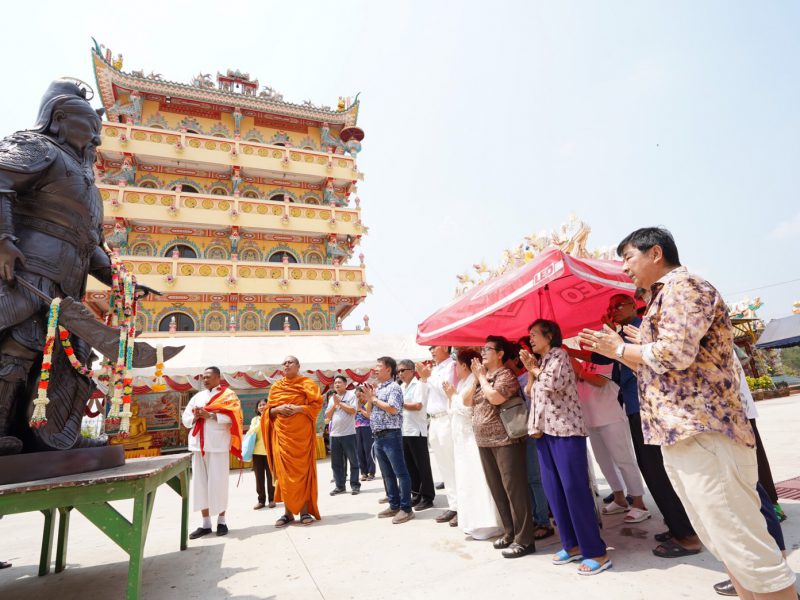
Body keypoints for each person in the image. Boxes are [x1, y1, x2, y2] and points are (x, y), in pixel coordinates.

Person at [582, 227, 796, 598]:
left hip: (704, 432)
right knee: (725, 542)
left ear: (655, 253)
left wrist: (619, 350)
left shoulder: (684, 288)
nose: (625, 269)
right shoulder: (663, 298)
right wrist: (631, 348)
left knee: (744, 546)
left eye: (629, 258)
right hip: (682, 433)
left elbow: (673, 356)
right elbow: (665, 366)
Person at [570, 293, 702, 558]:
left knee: (656, 469)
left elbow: (635, 358)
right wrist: (568, 349)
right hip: (634, 406)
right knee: (652, 469)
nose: (614, 311)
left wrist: (611, 336)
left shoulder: (639, 328)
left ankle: (686, 535)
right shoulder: (621, 334)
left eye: (618, 306)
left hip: (647, 406)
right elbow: (601, 358)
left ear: (634, 305)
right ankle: (678, 525)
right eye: (611, 308)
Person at [524, 320, 610, 575]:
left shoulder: (560, 355)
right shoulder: (540, 362)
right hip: (543, 432)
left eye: (534, 335)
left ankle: (596, 552)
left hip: (566, 430)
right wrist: (531, 370)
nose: (530, 339)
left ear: (549, 335)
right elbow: (531, 391)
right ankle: (571, 545)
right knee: (554, 491)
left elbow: (555, 384)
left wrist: (536, 371)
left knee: (574, 490)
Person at [471, 336, 536, 558]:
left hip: (506, 440)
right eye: (482, 348)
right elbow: (467, 401)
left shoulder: (505, 375)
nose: (483, 352)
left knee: (514, 490)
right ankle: (510, 532)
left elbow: (496, 398)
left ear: (500, 354)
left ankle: (525, 539)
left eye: (488, 349)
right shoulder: (482, 377)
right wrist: (477, 378)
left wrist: (481, 377)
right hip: (484, 440)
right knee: (497, 490)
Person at [572, 358, 650, 523]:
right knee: (604, 463)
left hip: (611, 417)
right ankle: (619, 498)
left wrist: (578, 369)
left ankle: (639, 503)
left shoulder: (605, 358)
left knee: (624, 460)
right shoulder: (582, 361)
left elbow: (600, 381)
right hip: (591, 419)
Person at [442, 349, 503, 540]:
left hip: (472, 438)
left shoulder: (474, 380)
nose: (455, 369)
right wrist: (452, 397)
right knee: (465, 480)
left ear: (464, 366)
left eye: (457, 365)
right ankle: (472, 522)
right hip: (460, 439)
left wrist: (453, 397)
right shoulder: (460, 382)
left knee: (478, 478)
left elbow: (467, 409)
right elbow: (453, 409)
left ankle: (488, 524)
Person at [181, 366, 243, 539]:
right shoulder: (197, 396)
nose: (205, 379)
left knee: (219, 482)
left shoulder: (229, 395)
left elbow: (236, 418)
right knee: (200, 484)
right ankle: (205, 523)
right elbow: (186, 418)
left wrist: (211, 416)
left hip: (218, 445)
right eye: (203, 377)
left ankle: (222, 521)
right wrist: (196, 416)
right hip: (197, 445)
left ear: (218, 378)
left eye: (208, 376)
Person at [263, 356, 323, 527]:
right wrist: (277, 409)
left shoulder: (307, 384)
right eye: (284, 363)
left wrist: (299, 408)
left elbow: (316, 406)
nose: (286, 365)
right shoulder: (276, 387)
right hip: (282, 437)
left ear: (298, 366)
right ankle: (287, 514)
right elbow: (268, 412)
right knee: (284, 475)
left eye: (290, 362)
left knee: (302, 474)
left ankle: (304, 512)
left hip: (301, 438)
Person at [364, 356, 414, 524]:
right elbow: (370, 413)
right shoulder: (377, 388)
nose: (375, 369)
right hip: (377, 436)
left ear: (388, 370)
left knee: (401, 473)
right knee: (387, 474)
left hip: (391, 435)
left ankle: (406, 509)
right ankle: (394, 505)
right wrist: (370, 398)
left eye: (379, 366)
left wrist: (374, 399)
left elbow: (393, 409)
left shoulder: (394, 388)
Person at [512, 338, 553, 540]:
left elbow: (531, 394)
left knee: (537, 479)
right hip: (529, 430)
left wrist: (531, 371)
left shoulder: (539, 370)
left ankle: (544, 521)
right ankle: (541, 515)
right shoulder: (521, 376)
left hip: (543, 430)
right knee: (532, 478)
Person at [417, 346, 459, 526]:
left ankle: (461, 507)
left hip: (446, 418)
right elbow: (423, 397)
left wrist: (429, 377)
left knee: (453, 464)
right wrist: (424, 379)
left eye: (434, 347)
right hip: (433, 420)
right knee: (444, 467)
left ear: (444, 347)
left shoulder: (453, 366)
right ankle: (453, 505)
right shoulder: (434, 370)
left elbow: (447, 391)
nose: (432, 351)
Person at [398, 359, 435, 510]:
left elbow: (418, 405)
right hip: (404, 430)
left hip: (417, 431)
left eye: (403, 370)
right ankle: (416, 494)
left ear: (412, 371)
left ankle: (427, 496)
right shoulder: (400, 387)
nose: (400, 373)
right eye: (399, 371)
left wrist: (400, 404)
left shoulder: (419, 385)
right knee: (410, 466)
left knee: (422, 466)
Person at [325, 375, 361, 496]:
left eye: (339, 382)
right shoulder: (332, 399)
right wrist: (335, 404)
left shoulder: (351, 396)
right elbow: (327, 415)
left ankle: (355, 485)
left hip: (349, 434)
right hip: (334, 434)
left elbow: (353, 411)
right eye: (335, 383)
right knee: (336, 462)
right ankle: (340, 486)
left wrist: (339, 402)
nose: (337, 385)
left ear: (345, 384)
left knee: (353, 461)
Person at [250, 399, 275, 509]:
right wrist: (261, 420)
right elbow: (252, 432)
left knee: (271, 477)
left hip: (270, 451)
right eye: (259, 405)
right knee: (259, 478)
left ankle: (272, 499)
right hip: (257, 453)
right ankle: (261, 500)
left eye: (264, 404)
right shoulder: (255, 420)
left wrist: (266, 417)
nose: (262, 407)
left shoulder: (272, 418)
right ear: (257, 408)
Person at [354, 385, 376, 481]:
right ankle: (363, 472)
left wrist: (360, 409)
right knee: (359, 451)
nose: (359, 398)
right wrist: (356, 408)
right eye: (357, 396)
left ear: (365, 394)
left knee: (369, 450)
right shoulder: (354, 404)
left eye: (361, 396)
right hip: (357, 428)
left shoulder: (369, 403)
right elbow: (352, 416)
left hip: (368, 428)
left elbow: (369, 416)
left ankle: (371, 472)